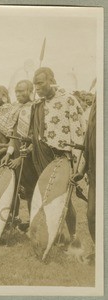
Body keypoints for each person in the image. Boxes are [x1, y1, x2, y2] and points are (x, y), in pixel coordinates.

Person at [30, 67, 86, 244]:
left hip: (64, 157)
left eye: (40, 83)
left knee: (65, 199)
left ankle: (74, 236)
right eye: (34, 84)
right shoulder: (38, 105)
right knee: (48, 197)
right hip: (43, 156)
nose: (36, 88)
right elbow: (36, 133)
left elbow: (79, 132)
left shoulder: (69, 100)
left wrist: (77, 163)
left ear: (51, 80)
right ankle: (55, 234)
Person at [1, 80, 38, 229]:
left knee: (31, 192)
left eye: (22, 91)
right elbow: (13, 136)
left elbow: (37, 138)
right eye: (16, 91)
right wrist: (9, 153)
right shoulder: (16, 109)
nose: (18, 94)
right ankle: (14, 219)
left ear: (30, 91)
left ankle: (33, 223)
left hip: (29, 157)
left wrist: (21, 157)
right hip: (15, 154)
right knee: (15, 189)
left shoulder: (36, 109)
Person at [71, 96, 96, 263]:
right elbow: (88, 144)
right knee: (92, 214)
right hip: (95, 172)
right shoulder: (94, 108)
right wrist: (82, 171)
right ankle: (98, 249)